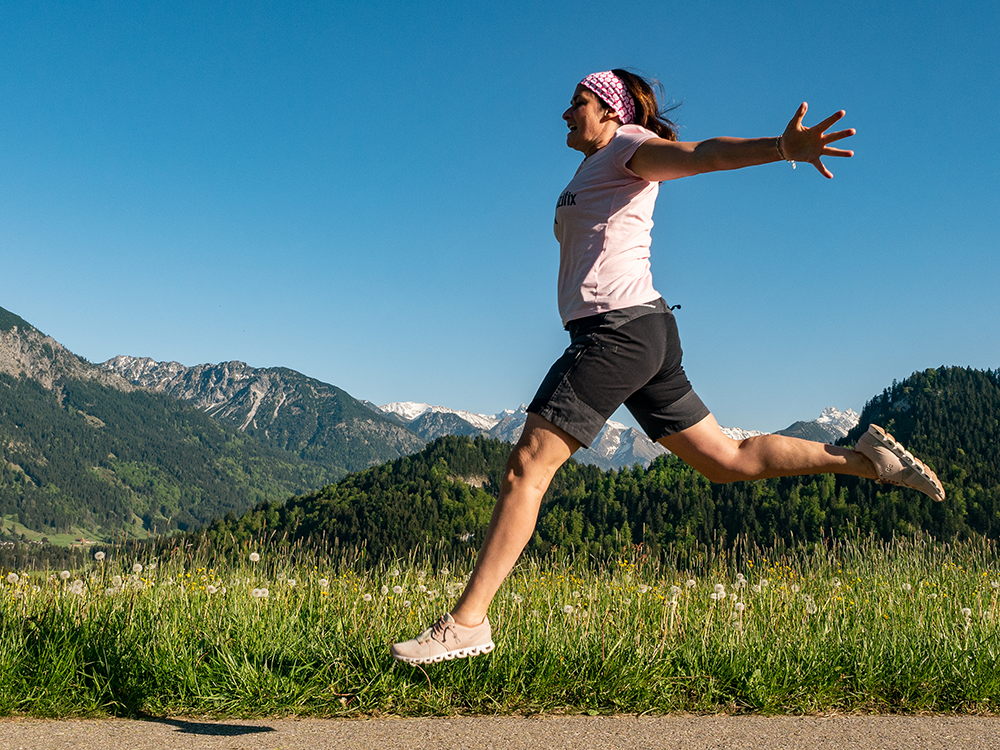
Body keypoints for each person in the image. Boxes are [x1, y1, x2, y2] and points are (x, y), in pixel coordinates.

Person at [390, 69, 944, 665]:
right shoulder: (590, 169)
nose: (564, 113)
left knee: (527, 466)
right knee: (726, 461)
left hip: (618, 331)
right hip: (641, 330)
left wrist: (783, 148)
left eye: (577, 103)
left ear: (610, 111)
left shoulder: (629, 148)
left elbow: (700, 155)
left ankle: (468, 623)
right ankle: (867, 461)